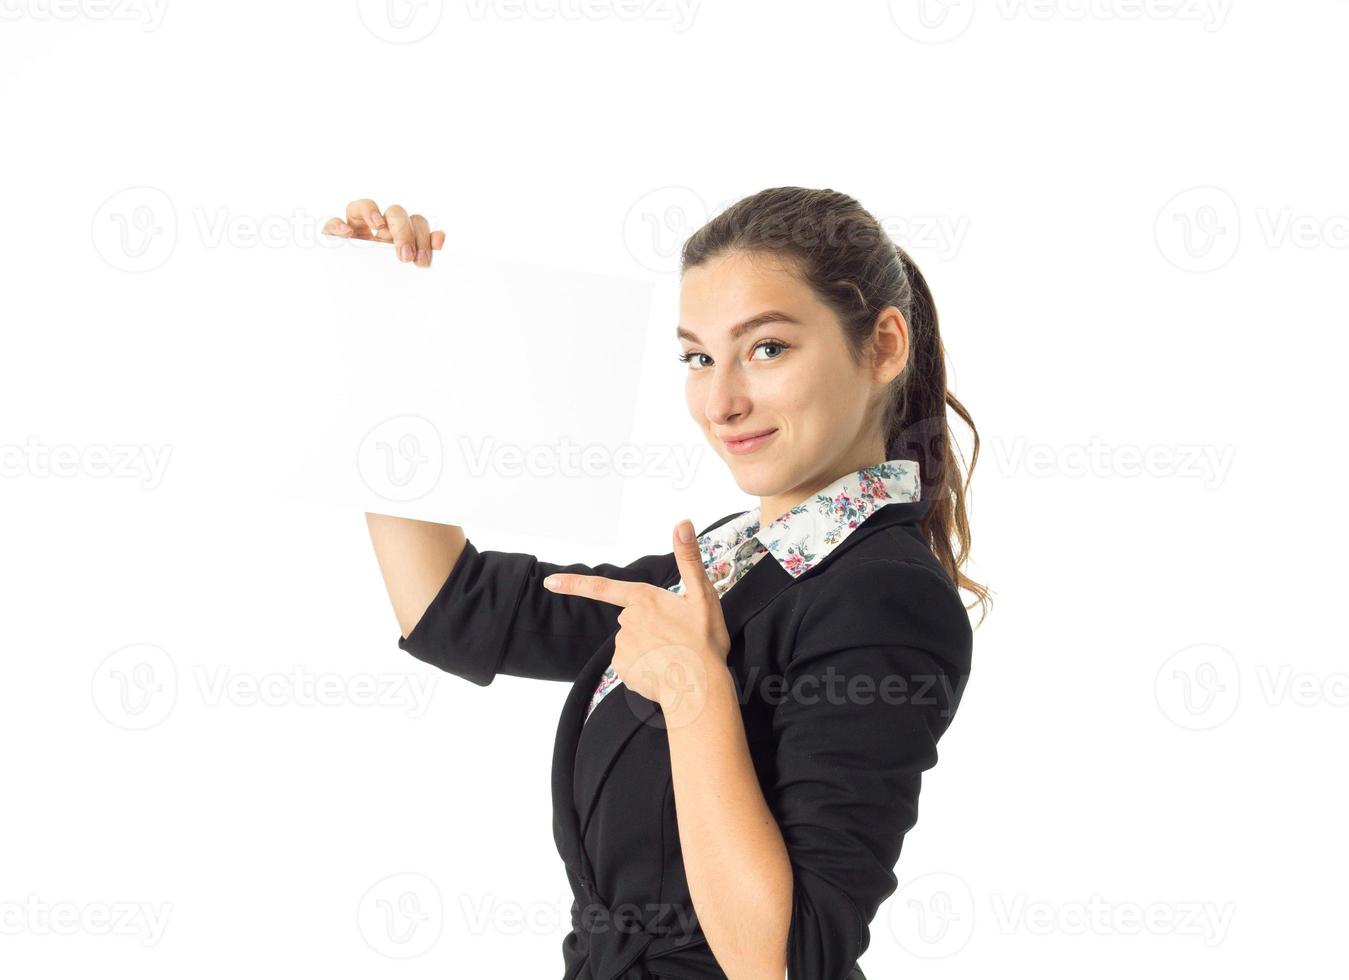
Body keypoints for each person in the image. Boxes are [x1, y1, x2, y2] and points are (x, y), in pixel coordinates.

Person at [325, 186, 988, 980]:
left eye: (767, 348)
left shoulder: (885, 596)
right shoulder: (736, 561)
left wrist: (695, 691)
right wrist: (384, 344)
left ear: (882, 346)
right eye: (699, 357)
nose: (721, 401)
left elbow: (787, 964)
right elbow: (453, 610)